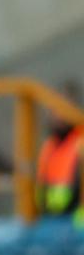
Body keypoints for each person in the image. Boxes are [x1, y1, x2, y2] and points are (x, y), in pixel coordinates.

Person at [36, 81, 84, 228]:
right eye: (55, 108)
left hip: (77, 227)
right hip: (50, 222)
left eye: (64, 107)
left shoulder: (80, 142)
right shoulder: (49, 146)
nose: (58, 115)